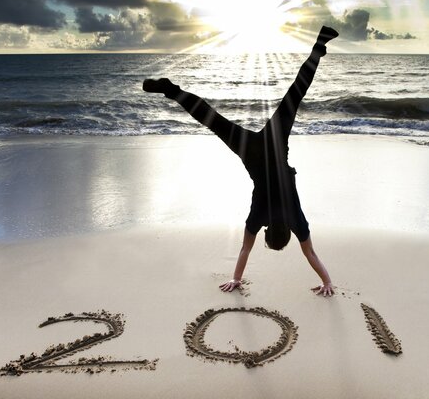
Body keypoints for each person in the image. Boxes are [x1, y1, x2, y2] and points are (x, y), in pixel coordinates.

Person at [143, 26, 338, 297]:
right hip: (252, 154)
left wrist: (328, 280)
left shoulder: (297, 221)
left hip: (273, 145)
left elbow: (311, 253)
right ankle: (172, 91)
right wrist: (235, 279)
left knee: (295, 95)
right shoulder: (259, 218)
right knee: (212, 120)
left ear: (286, 232)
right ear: (267, 232)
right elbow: (245, 249)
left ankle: (319, 46)